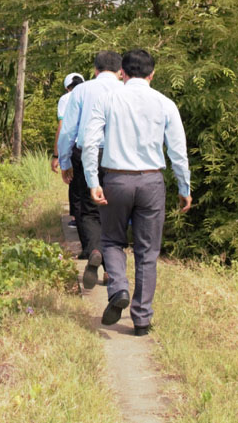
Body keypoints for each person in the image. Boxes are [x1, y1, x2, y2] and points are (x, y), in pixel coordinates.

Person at [81, 49, 192, 336]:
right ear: (152, 74)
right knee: (147, 252)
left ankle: (118, 287)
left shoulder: (108, 99)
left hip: (116, 180)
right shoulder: (165, 103)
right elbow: (178, 151)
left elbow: (91, 143)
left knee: (111, 240)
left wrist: (93, 181)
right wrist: (184, 187)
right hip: (151, 183)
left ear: (123, 73)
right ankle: (141, 319)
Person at [57, 50, 123, 289]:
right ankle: (111, 270)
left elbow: (68, 130)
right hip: (119, 157)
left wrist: (64, 161)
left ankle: (95, 249)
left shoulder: (82, 91)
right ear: (120, 71)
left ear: (95, 70)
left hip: (87, 153)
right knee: (114, 210)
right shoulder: (125, 90)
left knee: (89, 208)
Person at [52, 72, 84, 229]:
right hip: (94, 145)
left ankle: (76, 218)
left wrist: (56, 154)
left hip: (74, 146)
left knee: (74, 182)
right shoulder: (89, 94)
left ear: (67, 87)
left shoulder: (65, 99)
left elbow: (62, 127)